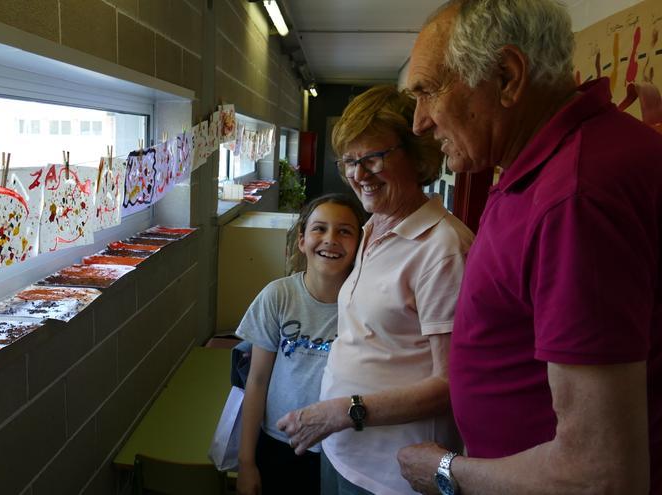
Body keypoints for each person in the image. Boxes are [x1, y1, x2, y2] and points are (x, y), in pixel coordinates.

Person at [396, 1, 662, 494]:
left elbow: (600, 476)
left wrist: (445, 471)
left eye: (428, 92)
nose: (420, 123)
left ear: (507, 76)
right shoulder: (551, 165)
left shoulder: (576, 196)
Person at [276, 84, 474, 494]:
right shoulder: (370, 229)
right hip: (341, 450)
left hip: (391, 473)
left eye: (372, 158)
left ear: (417, 155)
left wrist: (343, 411)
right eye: (349, 160)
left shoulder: (442, 248)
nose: (357, 174)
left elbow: (453, 384)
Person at [236, 193, 367, 495]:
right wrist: (246, 461)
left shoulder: (366, 305)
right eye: (319, 228)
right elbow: (256, 381)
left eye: (344, 231)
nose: (330, 239)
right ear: (301, 240)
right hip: (280, 443)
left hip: (341, 448)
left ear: (359, 244)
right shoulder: (278, 296)